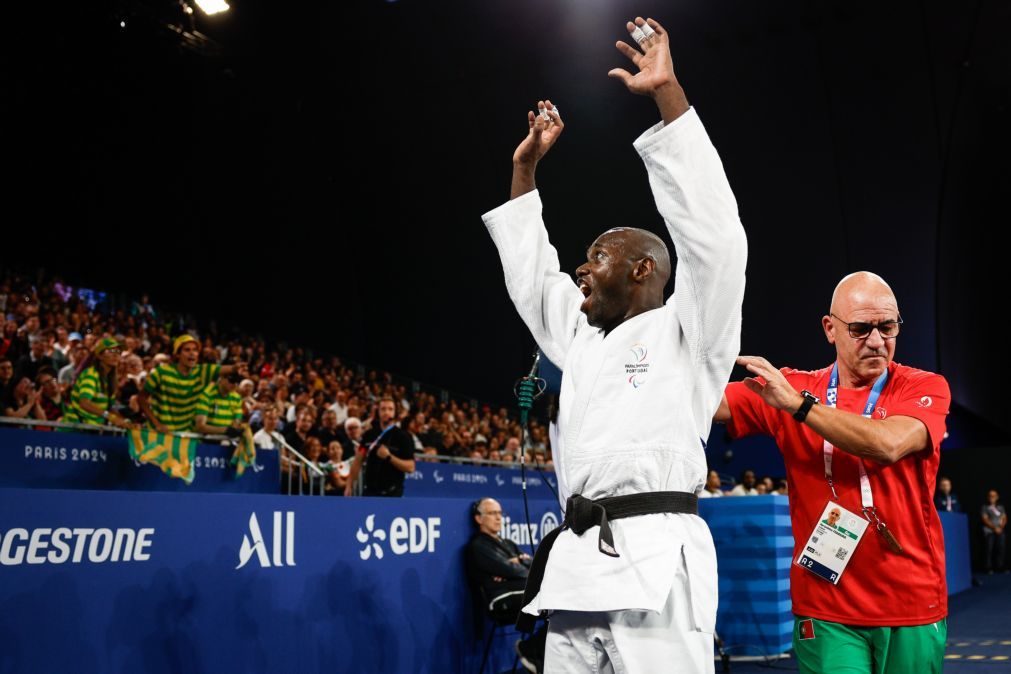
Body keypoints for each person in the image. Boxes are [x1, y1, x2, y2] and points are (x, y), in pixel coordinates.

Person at [482, 16, 747, 672]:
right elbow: (531, 276)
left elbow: (714, 239)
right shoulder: (580, 338)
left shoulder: (689, 332)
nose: (580, 268)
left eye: (596, 256)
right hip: (577, 561)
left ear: (640, 269)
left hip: (656, 562)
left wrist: (667, 96)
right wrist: (524, 171)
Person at [715, 271, 951, 673]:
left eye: (887, 327)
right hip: (826, 604)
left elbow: (887, 444)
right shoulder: (793, 387)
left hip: (912, 597)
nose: (877, 341)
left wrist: (800, 408)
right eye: (861, 328)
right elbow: (702, 402)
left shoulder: (923, 386)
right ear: (830, 328)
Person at [466, 497, 545, 673]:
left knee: (557, 606)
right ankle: (531, 650)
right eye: (492, 513)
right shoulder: (479, 545)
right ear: (479, 518)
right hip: (500, 599)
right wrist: (516, 566)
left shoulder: (507, 543)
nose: (498, 517)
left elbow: (531, 568)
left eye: (500, 513)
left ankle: (537, 653)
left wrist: (518, 564)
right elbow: (517, 571)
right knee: (550, 597)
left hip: (518, 590)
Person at [138, 334, 246, 432]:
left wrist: (236, 368)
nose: (192, 353)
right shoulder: (161, 373)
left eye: (195, 350)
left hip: (185, 437)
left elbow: (226, 369)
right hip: (159, 434)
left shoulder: (202, 372)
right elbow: (141, 398)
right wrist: (157, 424)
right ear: (177, 355)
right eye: (187, 350)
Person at [345, 397, 415, 497]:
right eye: (383, 409)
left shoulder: (403, 436)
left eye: (390, 409)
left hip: (392, 493)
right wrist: (349, 486)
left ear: (395, 412)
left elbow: (410, 467)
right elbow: (357, 461)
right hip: (370, 492)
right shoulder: (369, 434)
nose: (386, 412)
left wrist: (389, 457)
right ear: (378, 412)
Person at [62, 338, 134, 429]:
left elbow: (109, 409)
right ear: (99, 356)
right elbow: (84, 402)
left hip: (92, 430)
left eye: (118, 352)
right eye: (111, 351)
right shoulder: (91, 375)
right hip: (74, 430)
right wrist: (110, 417)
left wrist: (125, 422)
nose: (116, 354)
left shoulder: (108, 381)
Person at [981, 489, 1006, 574]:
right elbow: (985, 519)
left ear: (997, 497)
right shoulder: (985, 507)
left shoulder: (1000, 507)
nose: (992, 497)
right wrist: (994, 528)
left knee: (1000, 549)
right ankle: (988, 568)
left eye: (994, 496)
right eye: (990, 496)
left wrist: (1000, 527)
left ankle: (1000, 567)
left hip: (1000, 530)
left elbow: (1004, 518)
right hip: (989, 531)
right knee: (989, 549)